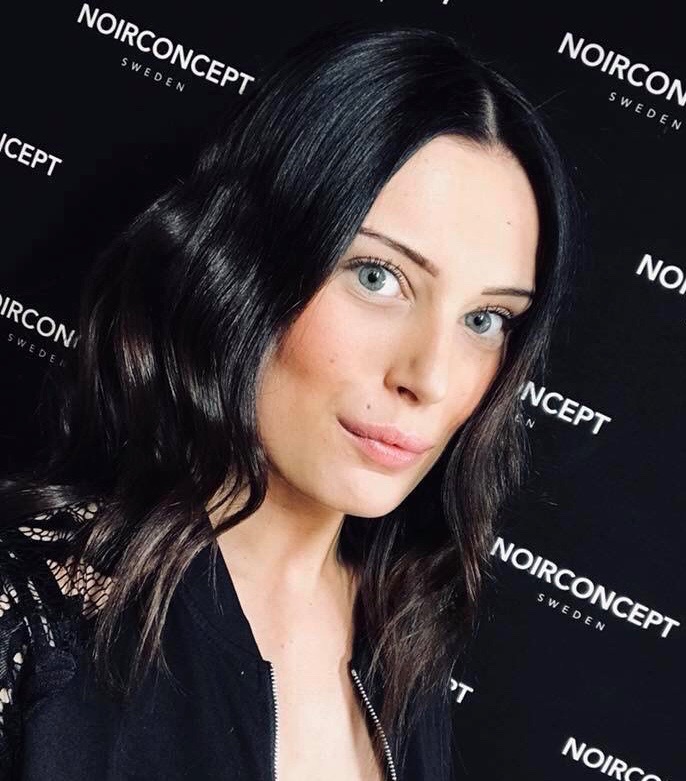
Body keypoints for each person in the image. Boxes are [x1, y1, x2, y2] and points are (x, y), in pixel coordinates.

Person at [0, 18, 581, 781]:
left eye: (485, 319)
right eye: (377, 276)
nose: (431, 378)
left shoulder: (403, 640)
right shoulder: (32, 616)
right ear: (247, 266)